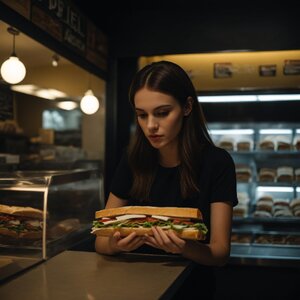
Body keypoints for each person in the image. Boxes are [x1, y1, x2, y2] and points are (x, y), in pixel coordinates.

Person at [95, 60, 238, 299]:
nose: (151, 126)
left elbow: (221, 253)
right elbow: (100, 241)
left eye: (162, 113)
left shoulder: (217, 163)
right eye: (142, 115)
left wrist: (185, 247)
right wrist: (116, 245)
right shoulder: (132, 161)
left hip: (192, 289)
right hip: (133, 288)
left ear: (187, 107)